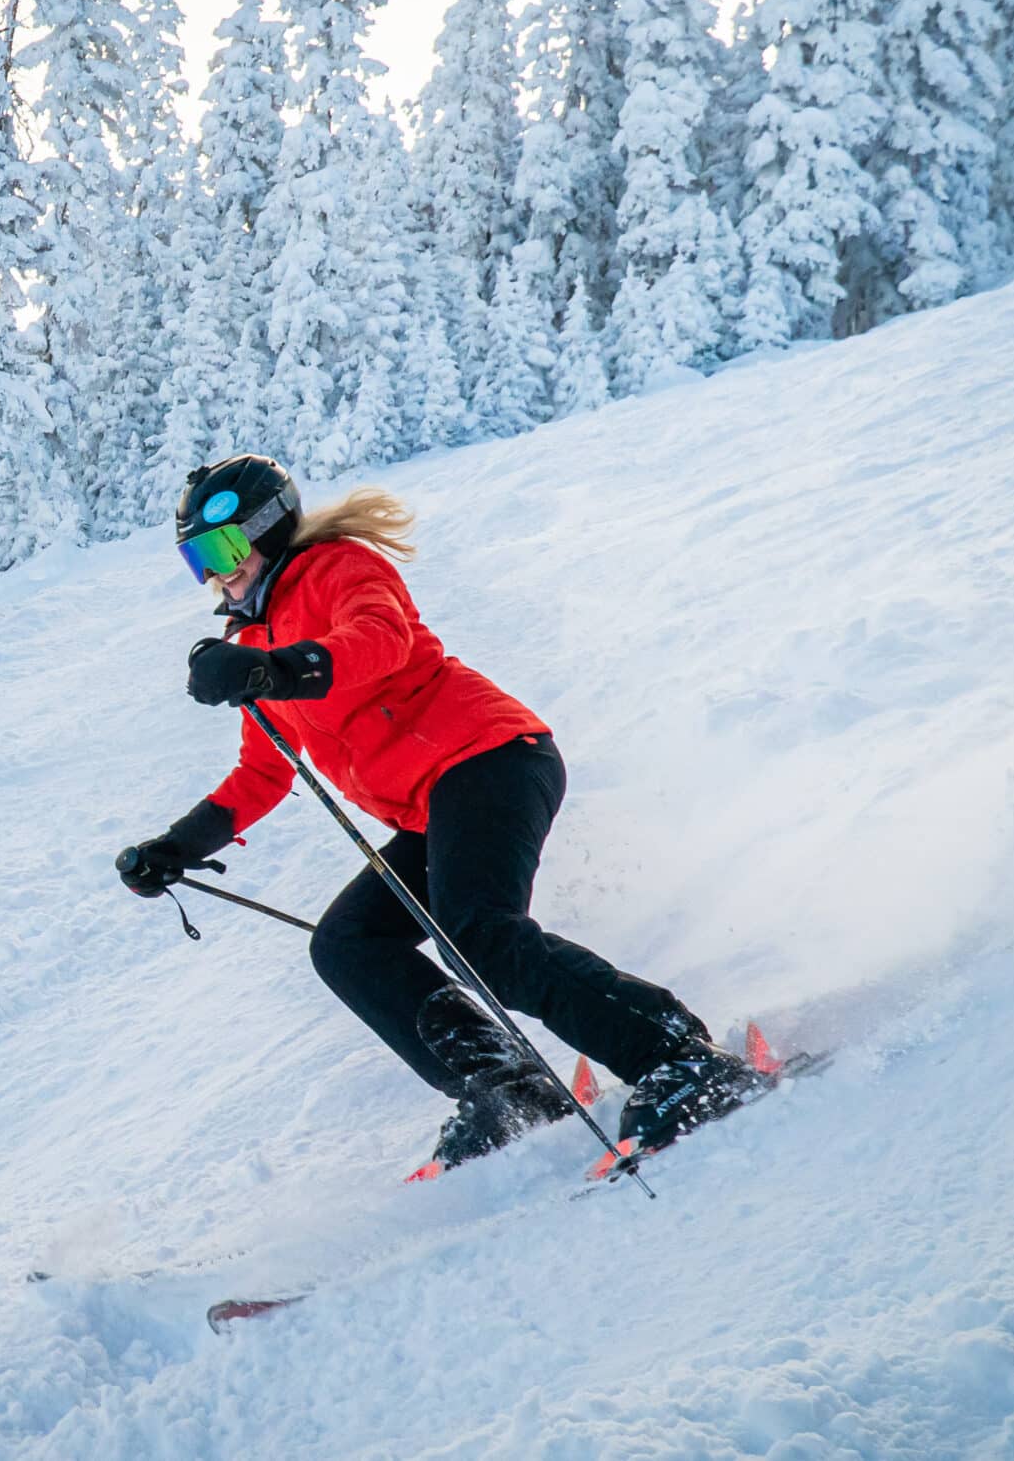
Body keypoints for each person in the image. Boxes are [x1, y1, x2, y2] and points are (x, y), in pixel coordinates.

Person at [118, 454, 764, 1171]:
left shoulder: (335, 568)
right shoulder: (256, 641)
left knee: (480, 933)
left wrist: (277, 669)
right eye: (196, 560)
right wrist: (174, 847)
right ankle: (505, 1086)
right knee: (347, 944)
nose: (214, 574)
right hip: (433, 804)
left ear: (268, 532)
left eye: (223, 549)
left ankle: (677, 1055)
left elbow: (378, 638)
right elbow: (262, 772)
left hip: (493, 759)